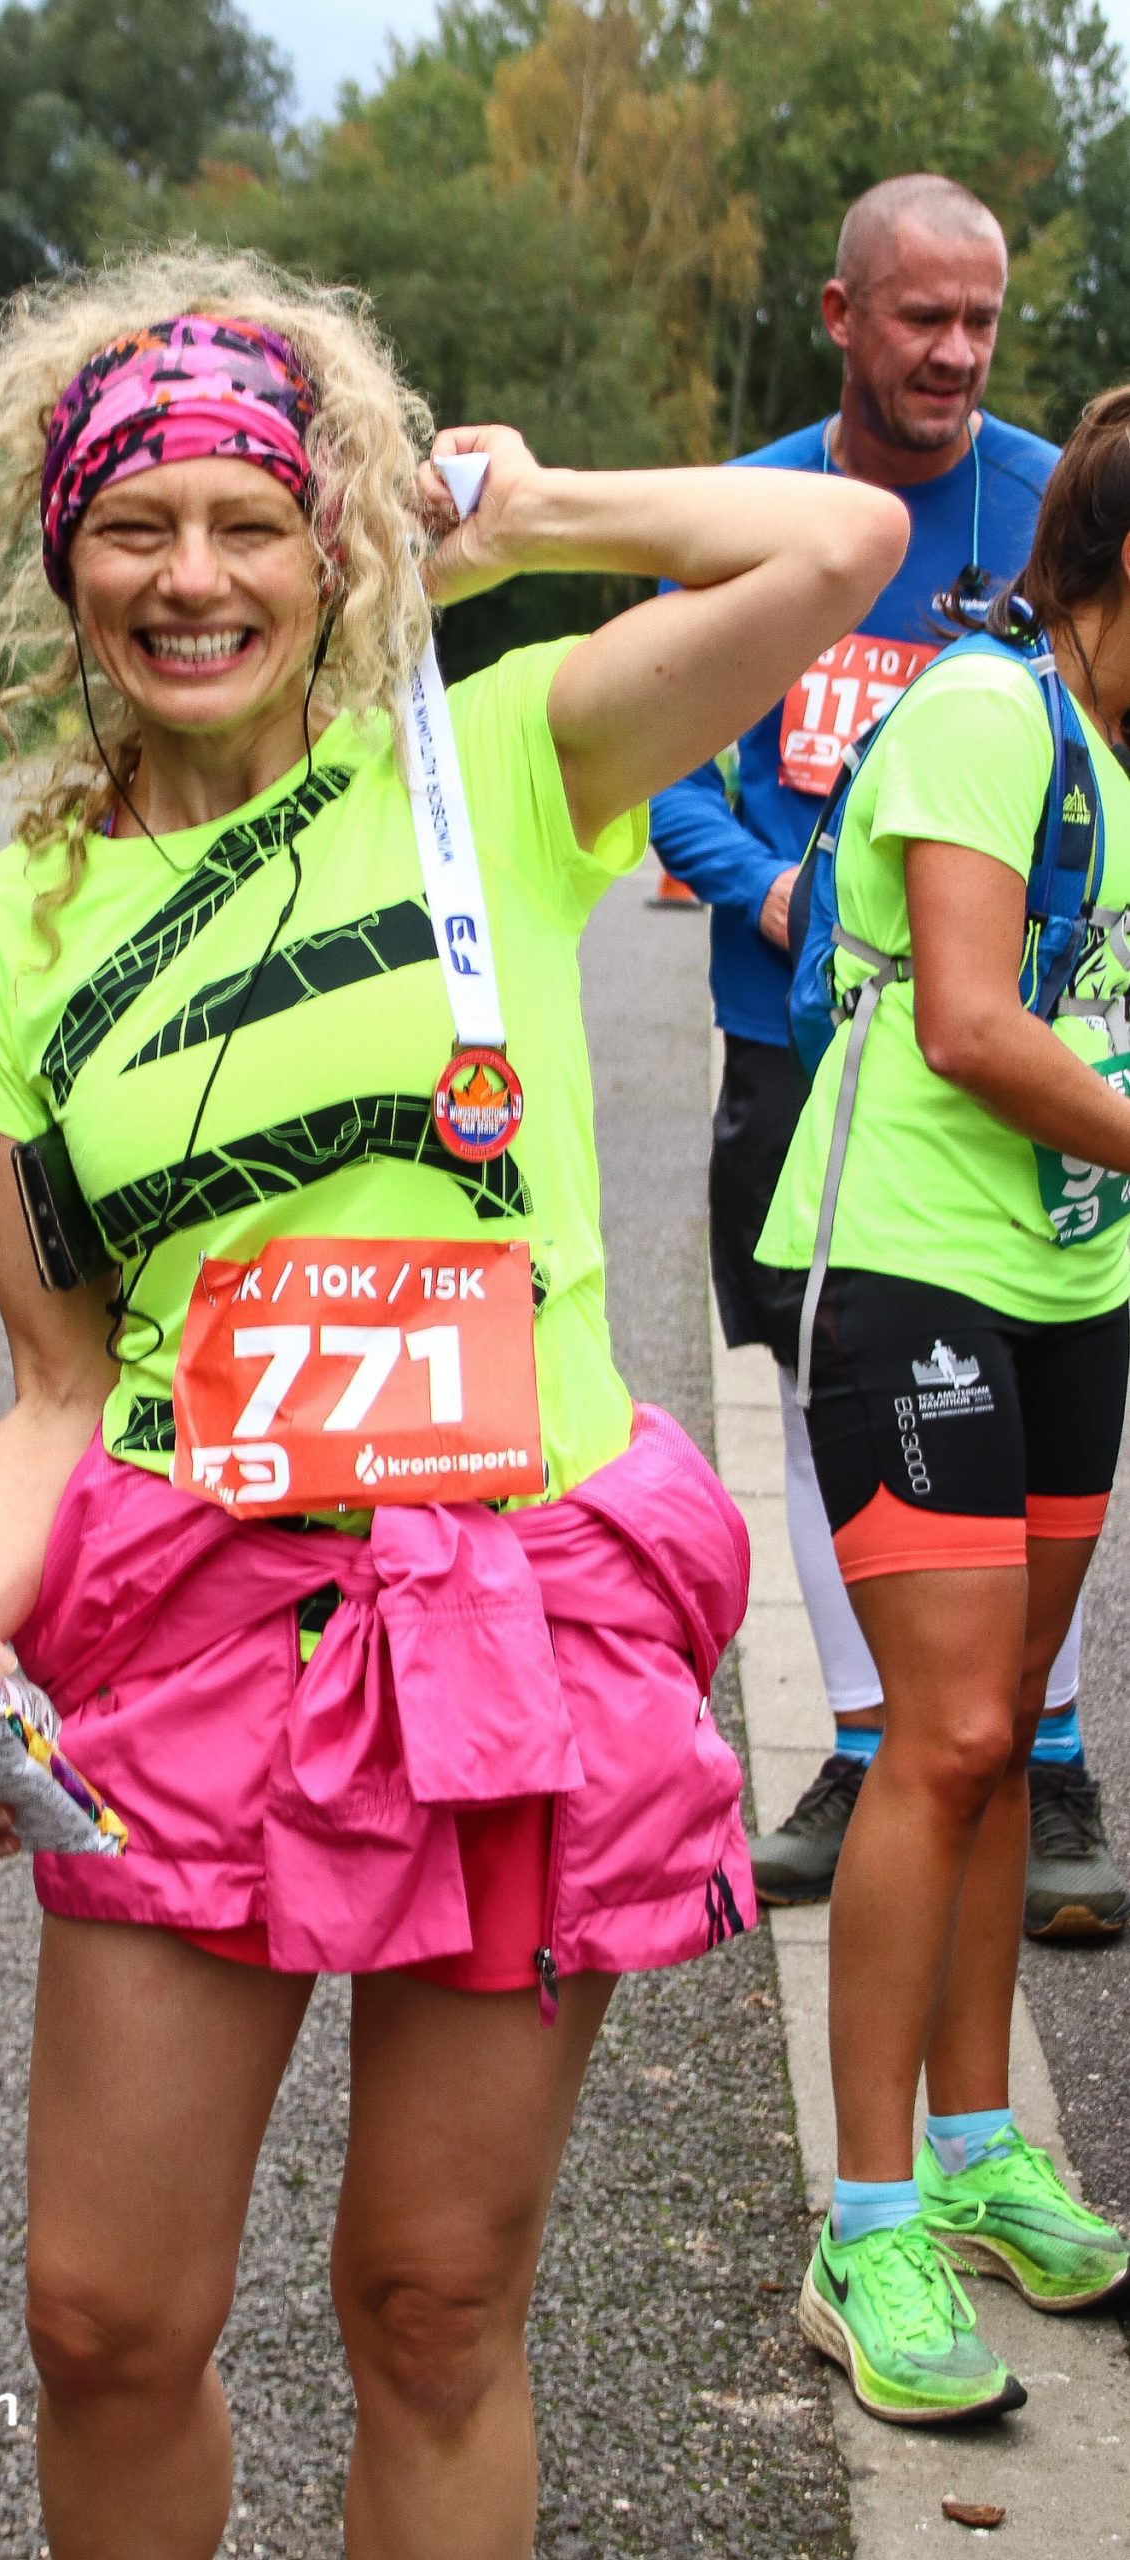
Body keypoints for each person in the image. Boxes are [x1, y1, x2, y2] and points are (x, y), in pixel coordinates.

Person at [0, 246, 907, 2559]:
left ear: (332, 535)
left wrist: (525, 520)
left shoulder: (496, 757)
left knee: (432, 2305)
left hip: (514, 1616)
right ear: (61, 559)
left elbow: (838, 542)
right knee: (103, 2313)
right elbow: (53, 1381)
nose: (192, 578)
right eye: (134, 526)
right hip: (189, 1606)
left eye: (251, 518)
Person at [650, 172, 1128, 1940]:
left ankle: (1047, 1755)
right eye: (922, 316)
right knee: (821, 1385)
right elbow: (665, 763)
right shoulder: (756, 509)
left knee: (1045, 1390)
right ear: (842, 317)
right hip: (799, 1027)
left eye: (982, 320)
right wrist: (771, 888)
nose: (956, 351)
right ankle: (865, 1746)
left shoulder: (1048, 502)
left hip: (1019, 1042)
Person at [757, 387, 1130, 2426]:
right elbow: (976, 1023)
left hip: (1074, 1279)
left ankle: (981, 2154)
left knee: (1005, 1740)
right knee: (950, 1730)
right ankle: (868, 2220)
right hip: (909, 1259)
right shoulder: (993, 713)